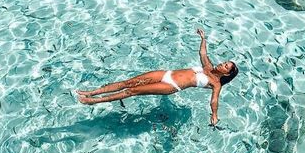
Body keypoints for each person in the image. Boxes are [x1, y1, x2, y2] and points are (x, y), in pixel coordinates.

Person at [77, 29, 238, 126]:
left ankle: (93, 101)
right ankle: (91, 92)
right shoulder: (207, 66)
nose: (222, 64)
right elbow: (203, 53)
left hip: (171, 86)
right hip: (165, 73)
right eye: (224, 62)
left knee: (130, 91)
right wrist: (203, 39)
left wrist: (214, 115)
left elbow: (214, 101)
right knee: (127, 82)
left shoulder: (216, 84)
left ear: (227, 73)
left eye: (225, 66)